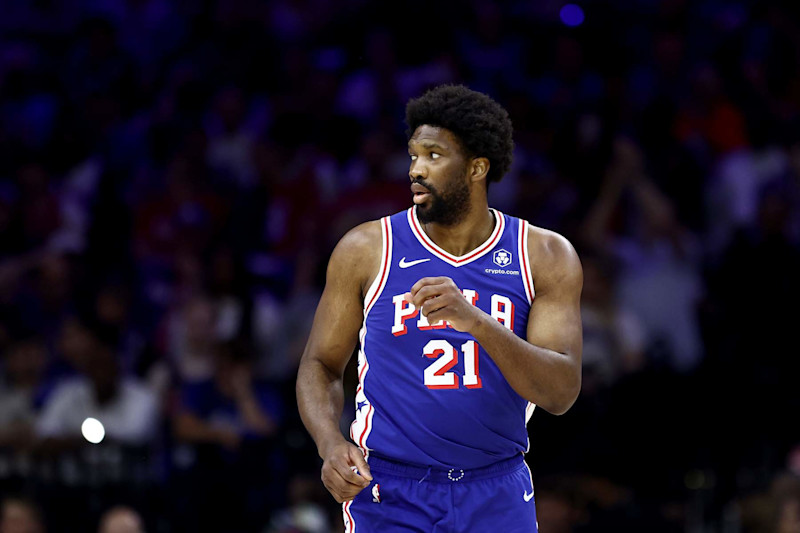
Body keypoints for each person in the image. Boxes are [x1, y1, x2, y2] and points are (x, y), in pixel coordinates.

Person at [296, 84, 583, 532]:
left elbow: (561, 392)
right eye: (413, 155)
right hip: (389, 487)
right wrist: (330, 442)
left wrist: (477, 323)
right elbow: (320, 363)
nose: (416, 170)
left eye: (433, 156)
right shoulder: (367, 248)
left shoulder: (543, 255)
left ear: (477, 167)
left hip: (496, 486)